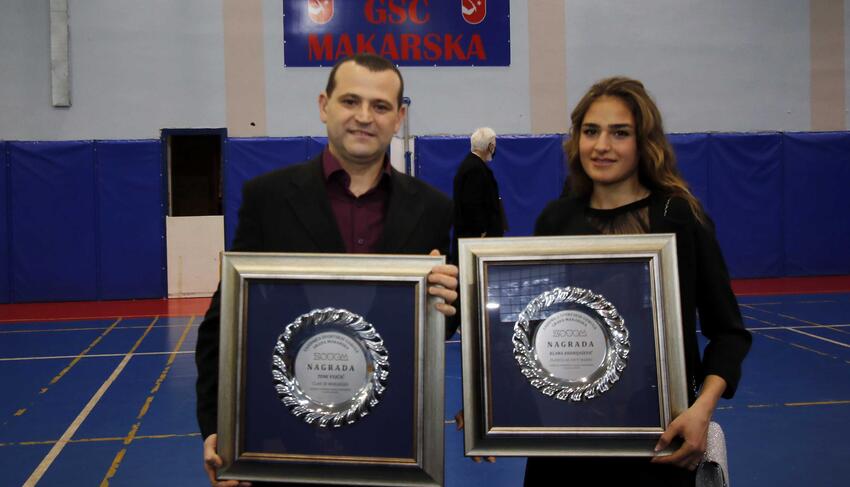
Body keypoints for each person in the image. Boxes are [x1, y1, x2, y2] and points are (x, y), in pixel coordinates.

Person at [195, 53, 459, 487]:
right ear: (324, 106)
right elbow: (225, 322)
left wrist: (446, 305)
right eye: (350, 101)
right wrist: (217, 424)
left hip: (390, 442)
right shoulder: (268, 198)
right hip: (283, 438)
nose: (364, 117)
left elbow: (435, 329)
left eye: (380, 106)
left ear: (399, 118)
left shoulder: (432, 208)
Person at [527, 76, 751, 486]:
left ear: (644, 142)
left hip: (660, 442)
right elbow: (531, 327)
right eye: (591, 131)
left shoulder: (679, 218)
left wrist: (701, 411)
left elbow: (729, 333)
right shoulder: (555, 220)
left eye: (620, 133)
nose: (602, 145)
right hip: (567, 439)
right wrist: (495, 401)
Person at [452, 127, 507, 248]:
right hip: (477, 240)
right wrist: (481, 231)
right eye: (494, 144)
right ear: (490, 146)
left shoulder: (472, 165)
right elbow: (471, 204)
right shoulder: (475, 169)